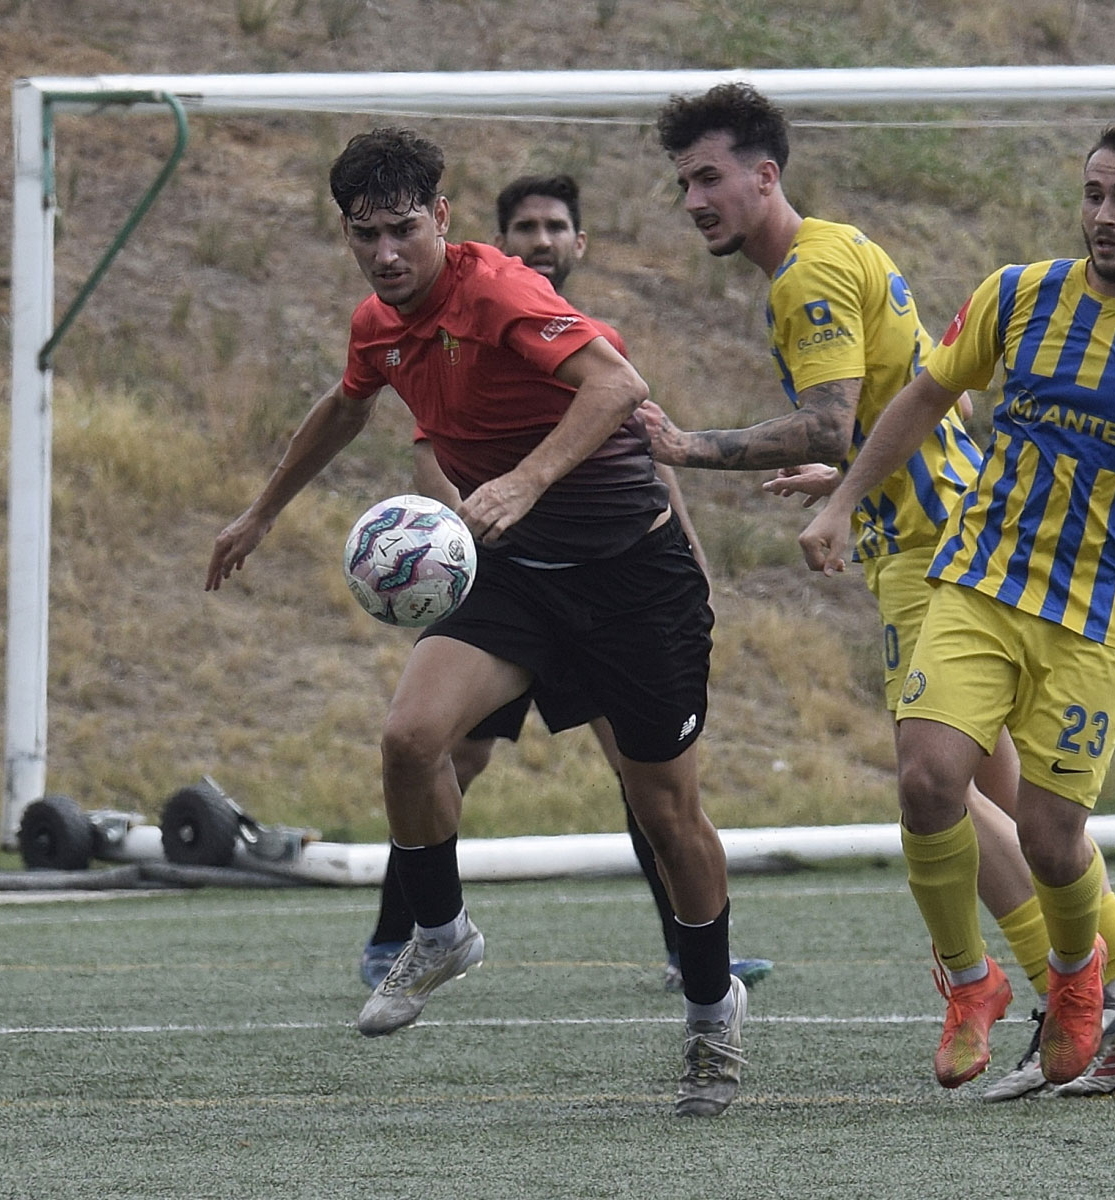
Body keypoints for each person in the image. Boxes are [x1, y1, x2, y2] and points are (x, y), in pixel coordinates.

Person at [650, 82, 1115, 1098]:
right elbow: (908, 394)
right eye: (682, 182)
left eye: (709, 177)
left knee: (940, 789)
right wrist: (854, 474)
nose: (693, 201)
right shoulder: (842, 242)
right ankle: (1105, 996)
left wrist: (689, 448)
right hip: (944, 514)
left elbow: (824, 420)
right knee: (991, 794)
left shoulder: (801, 280)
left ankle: (1079, 990)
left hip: (926, 549)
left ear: (764, 176)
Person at [207, 129, 746, 1117]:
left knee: (668, 817)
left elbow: (620, 387)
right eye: (365, 235)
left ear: (443, 221)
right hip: (514, 575)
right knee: (411, 739)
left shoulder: (499, 292)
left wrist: (525, 478)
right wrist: (261, 509)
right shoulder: (378, 318)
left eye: (404, 230)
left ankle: (712, 1011)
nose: (385, 254)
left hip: (632, 577)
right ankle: (441, 932)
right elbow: (346, 402)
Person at [800, 122, 1115, 1089]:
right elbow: (922, 397)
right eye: (1094, 195)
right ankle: (971, 983)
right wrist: (844, 499)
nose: (1104, 216)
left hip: (1102, 618)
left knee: (1051, 836)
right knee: (927, 777)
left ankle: (1078, 983)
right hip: (981, 581)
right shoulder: (1016, 294)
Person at [360, 172, 772, 997]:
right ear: (496, 241)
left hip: (614, 587)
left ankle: (691, 959)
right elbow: (429, 453)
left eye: (555, 228)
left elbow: (636, 461)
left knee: (648, 779)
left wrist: (689, 554)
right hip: (508, 577)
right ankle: (400, 936)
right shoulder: (455, 330)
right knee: (438, 749)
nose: (539, 241)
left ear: (579, 245)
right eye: (524, 228)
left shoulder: (593, 346)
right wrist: (465, 537)